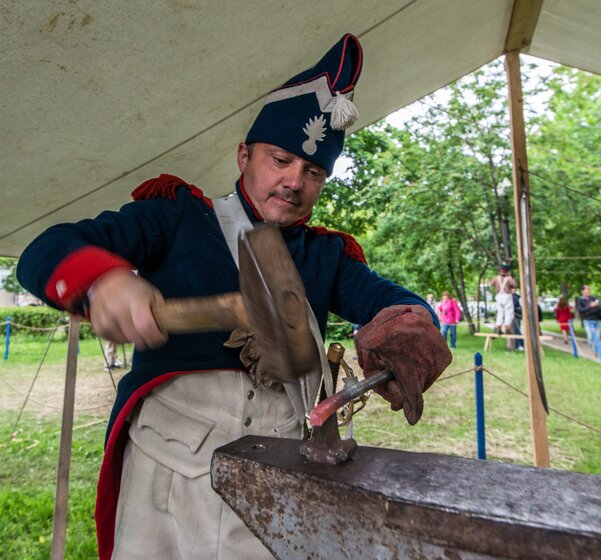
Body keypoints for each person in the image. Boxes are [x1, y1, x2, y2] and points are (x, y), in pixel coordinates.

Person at [17, 34, 451, 560]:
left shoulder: (325, 256)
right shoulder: (177, 217)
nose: (294, 181)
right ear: (245, 155)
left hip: (282, 479)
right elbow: (49, 250)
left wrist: (408, 327)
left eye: (313, 172)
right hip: (167, 483)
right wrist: (102, 280)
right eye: (280, 159)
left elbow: (397, 304)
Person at [490, 262, 517, 336]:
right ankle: (507, 328)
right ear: (508, 271)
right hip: (506, 295)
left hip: (499, 295)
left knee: (500, 312)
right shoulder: (509, 278)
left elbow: (492, 283)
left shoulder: (496, 278)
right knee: (509, 312)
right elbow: (514, 285)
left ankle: (499, 328)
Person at [575, 284, 601, 352]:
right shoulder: (580, 299)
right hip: (588, 321)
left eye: (589, 289)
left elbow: (600, 306)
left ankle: (596, 351)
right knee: (590, 338)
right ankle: (592, 347)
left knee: (597, 338)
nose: (588, 291)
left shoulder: (593, 298)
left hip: (597, 320)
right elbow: (581, 310)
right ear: (582, 291)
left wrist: (597, 304)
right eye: (587, 289)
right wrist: (591, 306)